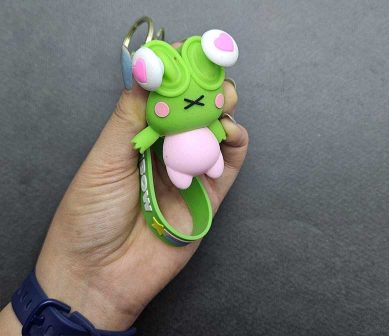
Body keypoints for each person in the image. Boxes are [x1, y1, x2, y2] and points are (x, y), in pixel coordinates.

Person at [0, 60, 248, 333]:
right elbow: (154, 129)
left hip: (206, 157)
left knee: (212, 162)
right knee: (183, 174)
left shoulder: (197, 116)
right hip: (177, 165)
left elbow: (207, 124)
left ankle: (208, 166)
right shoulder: (160, 117)